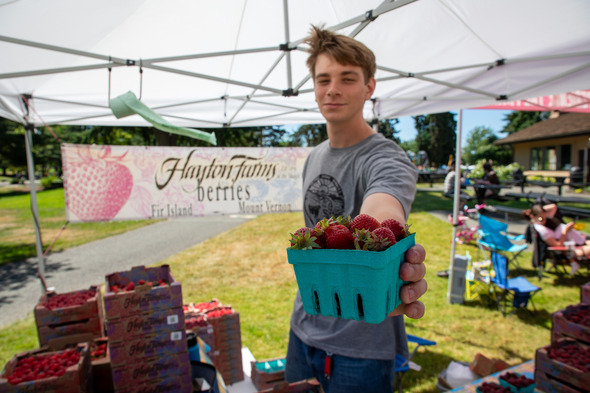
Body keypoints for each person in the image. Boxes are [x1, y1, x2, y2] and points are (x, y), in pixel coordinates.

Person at [285, 26, 427, 393]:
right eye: (323, 79)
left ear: (369, 87)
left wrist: (379, 241)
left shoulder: (386, 157)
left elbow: (382, 209)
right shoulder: (315, 156)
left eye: (347, 78)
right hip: (304, 325)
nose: (332, 89)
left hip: (360, 343)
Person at [524, 204, 589, 276]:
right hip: (572, 249)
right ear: (532, 216)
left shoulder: (543, 221)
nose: (543, 220)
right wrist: (566, 230)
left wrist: (537, 210)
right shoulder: (542, 230)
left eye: (544, 217)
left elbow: (553, 206)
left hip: (577, 243)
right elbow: (558, 245)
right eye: (540, 218)